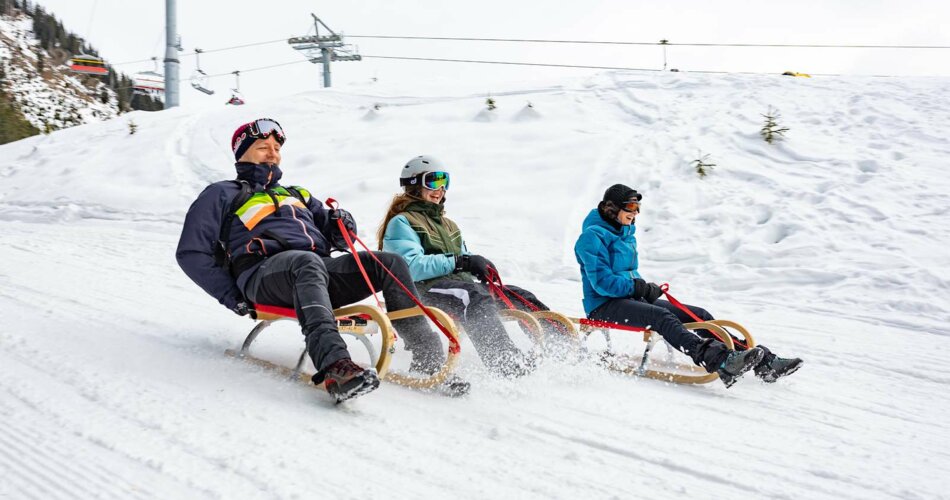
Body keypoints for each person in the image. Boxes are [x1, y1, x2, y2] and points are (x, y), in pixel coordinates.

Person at [176, 119, 458, 402]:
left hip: (313, 273)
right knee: (305, 262)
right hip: (262, 275)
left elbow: (340, 238)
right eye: (263, 147)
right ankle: (335, 365)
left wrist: (341, 223)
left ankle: (429, 362)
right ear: (242, 154)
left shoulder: (297, 194)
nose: (272, 153)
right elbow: (191, 252)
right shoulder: (222, 194)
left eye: (276, 148)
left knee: (389, 262)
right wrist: (232, 296)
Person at [574, 184, 803, 388]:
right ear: (611, 209)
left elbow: (628, 275)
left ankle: (763, 363)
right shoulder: (591, 238)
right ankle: (720, 361)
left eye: (637, 209)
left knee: (697, 314)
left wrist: (641, 289)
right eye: (630, 208)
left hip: (630, 298)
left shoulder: (625, 234)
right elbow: (602, 282)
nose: (635, 214)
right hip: (603, 305)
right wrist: (638, 288)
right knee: (661, 317)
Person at [378, 155, 548, 377]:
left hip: (458, 287)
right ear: (413, 184)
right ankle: (505, 362)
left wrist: (476, 265)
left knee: (518, 295)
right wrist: (459, 262)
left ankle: (562, 347)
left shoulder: (448, 224)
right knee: (472, 297)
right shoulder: (402, 222)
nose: (440, 188)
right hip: (424, 290)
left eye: (444, 182)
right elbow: (410, 266)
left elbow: (462, 257)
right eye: (433, 181)